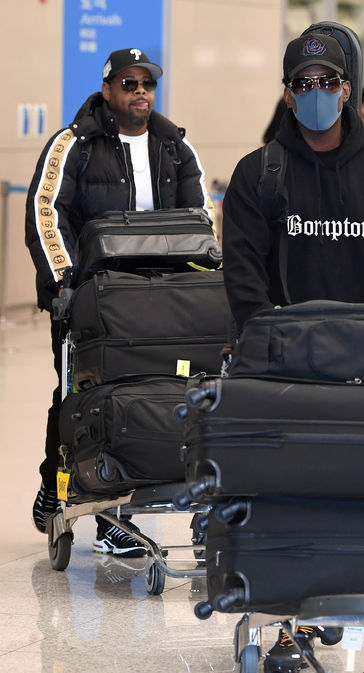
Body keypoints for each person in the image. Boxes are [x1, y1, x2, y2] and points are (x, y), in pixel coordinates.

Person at [222, 34, 364, 673]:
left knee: (358, 492)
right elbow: (244, 281)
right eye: (302, 83)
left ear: (348, 90)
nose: (316, 94)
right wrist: (271, 351)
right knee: (289, 497)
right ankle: (285, 621)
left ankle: (340, 592)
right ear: (288, 93)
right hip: (287, 371)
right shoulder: (259, 175)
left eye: (327, 81)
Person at [26, 48, 213, 555]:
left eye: (147, 84)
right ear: (107, 90)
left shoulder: (176, 147)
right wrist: (66, 284)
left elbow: (203, 223)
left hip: (161, 306)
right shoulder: (74, 144)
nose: (140, 93)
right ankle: (73, 491)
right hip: (93, 304)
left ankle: (138, 501)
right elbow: (47, 213)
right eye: (128, 84)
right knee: (82, 396)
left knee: (157, 395)